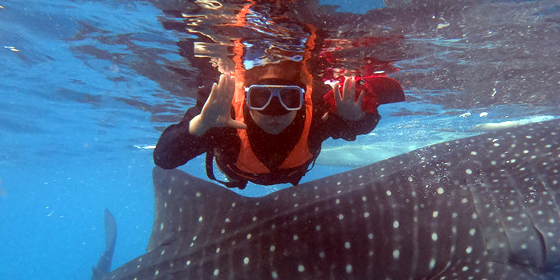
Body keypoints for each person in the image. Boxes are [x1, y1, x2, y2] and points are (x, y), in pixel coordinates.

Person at [153, 58, 403, 188]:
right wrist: (199, 125)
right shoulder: (221, 115)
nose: (274, 112)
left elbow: (356, 129)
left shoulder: (314, 116)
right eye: (260, 97)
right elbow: (164, 159)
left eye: (289, 98)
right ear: (247, 98)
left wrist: (356, 118)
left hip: (292, 172)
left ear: (302, 98)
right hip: (238, 173)